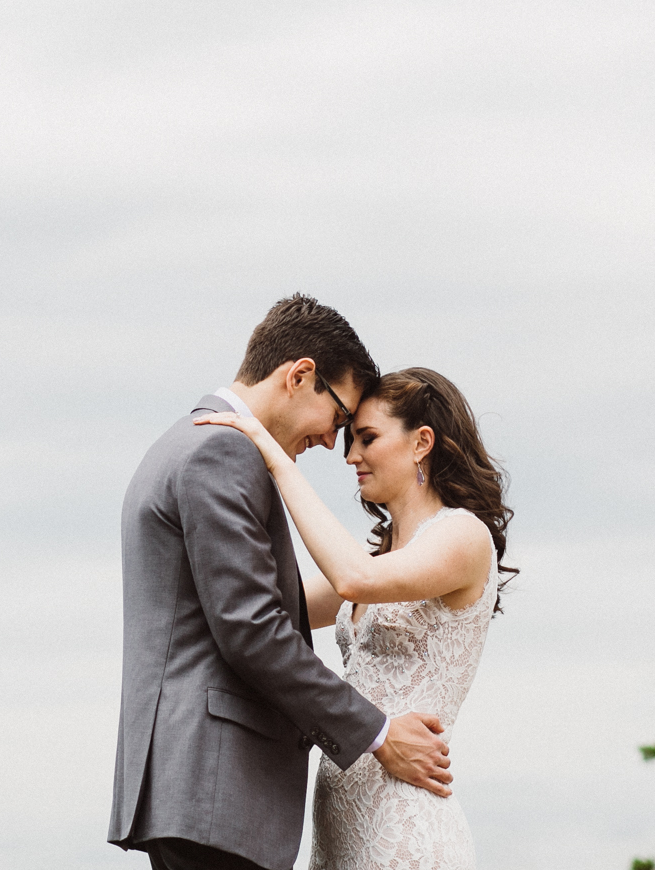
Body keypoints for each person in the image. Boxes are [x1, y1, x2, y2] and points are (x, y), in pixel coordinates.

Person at [110, 295, 454, 870]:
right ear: (300, 376)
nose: (332, 444)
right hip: (216, 784)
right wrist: (376, 733)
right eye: (340, 419)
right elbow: (252, 629)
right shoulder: (221, 450)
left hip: (198, 789)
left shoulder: (186, 441)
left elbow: (284, 603)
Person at [196, 366, 516, 870]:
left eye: (366, 438)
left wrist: (273, 455)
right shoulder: (384, 554)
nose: (350, 456)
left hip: (405, 833)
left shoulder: (463, 537)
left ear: (421, 443)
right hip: (339, 835)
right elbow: (275, 604)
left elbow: (352, 580)